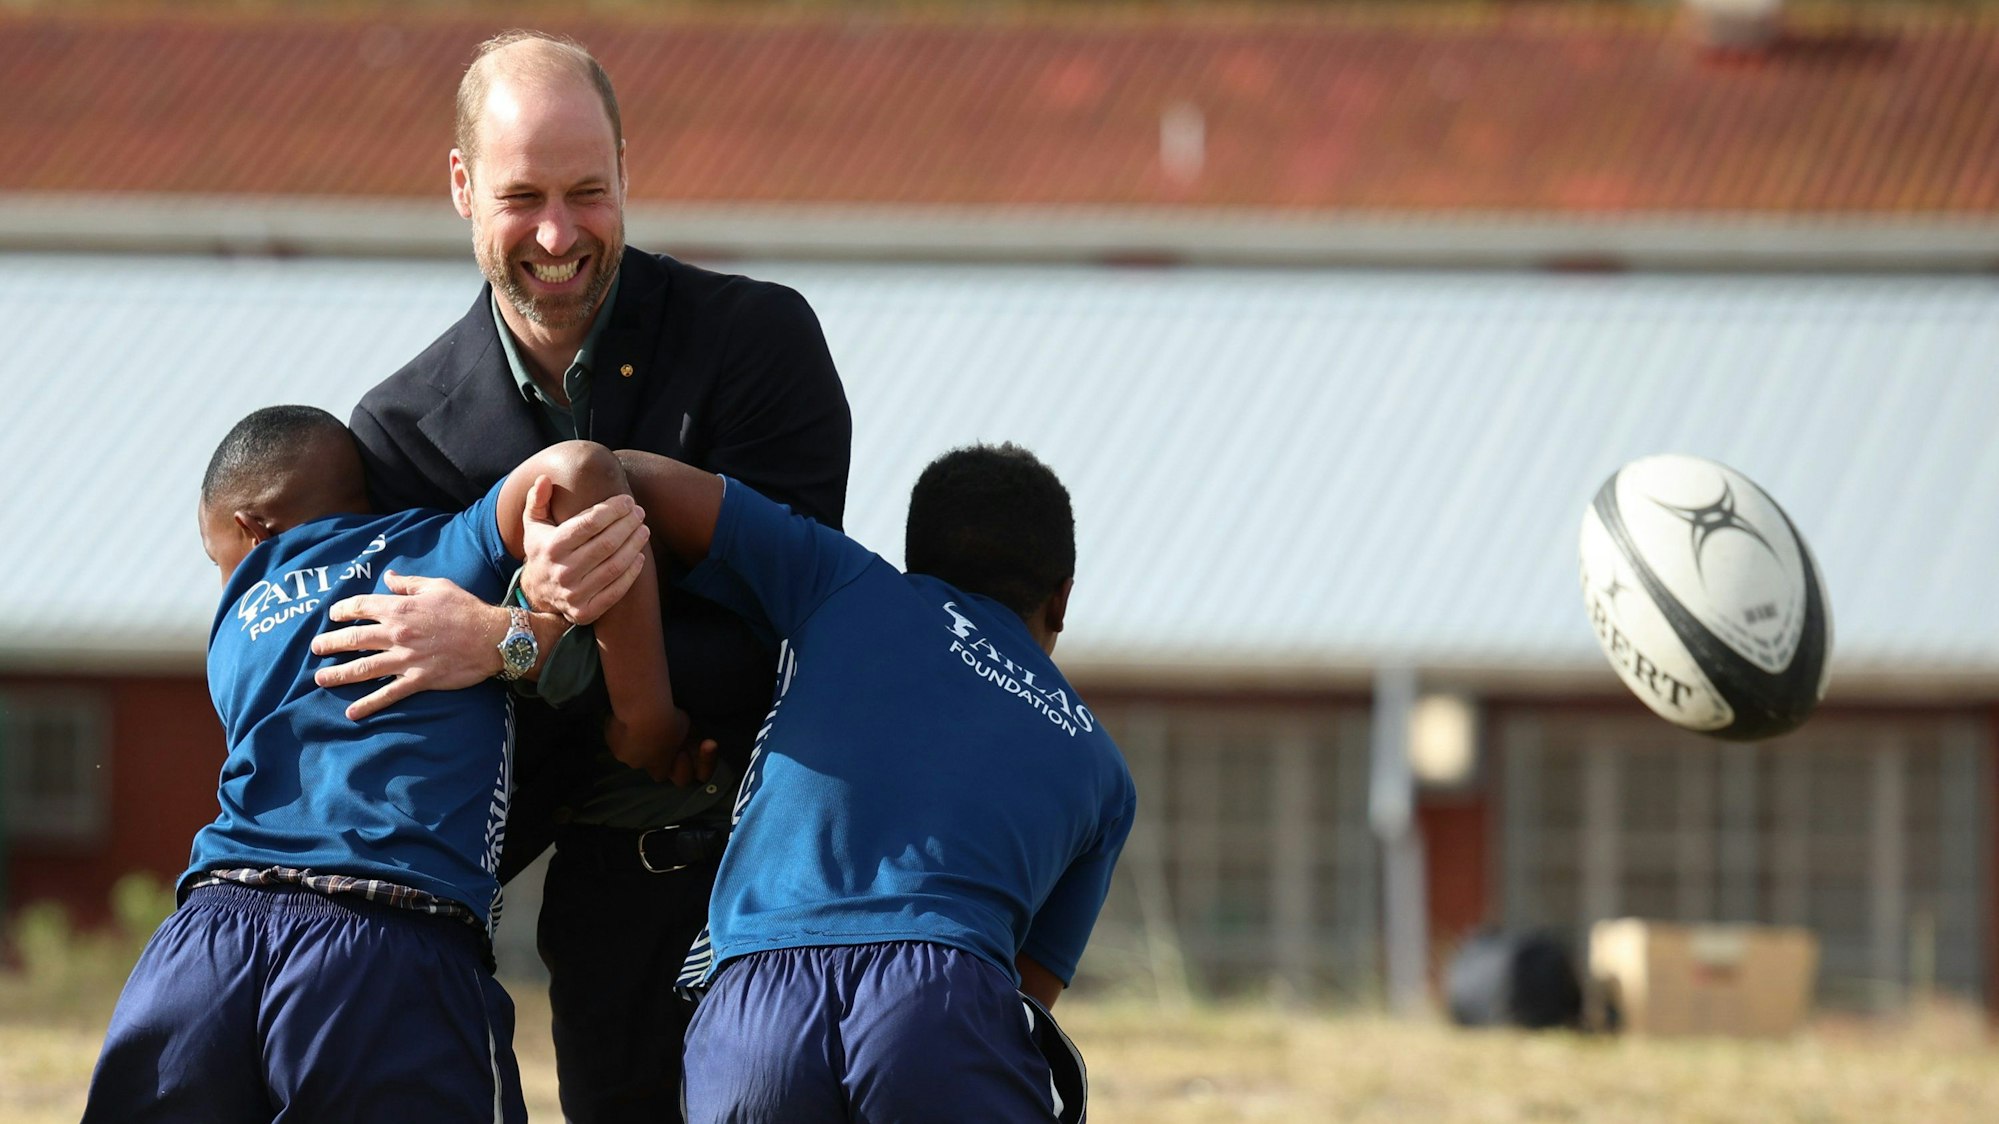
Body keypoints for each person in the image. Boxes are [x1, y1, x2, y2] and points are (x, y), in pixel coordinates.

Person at [315, 30, 852, 1120]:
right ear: (461, 186)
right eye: (522, 197)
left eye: (586, 192)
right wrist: (547, 642)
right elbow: (421, 709)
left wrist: (514, 638)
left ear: (626, 173)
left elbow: (772, 640)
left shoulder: (760, 341)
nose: (558, 235)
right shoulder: (400, 433)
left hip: (800, 874)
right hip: (610, 892)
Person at [83, 407, 679, 1122]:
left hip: (204, 942)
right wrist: (643, 714)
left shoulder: (236, 616)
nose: (225, 580)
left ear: (251, 527)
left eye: (217, 558)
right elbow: (580, 467)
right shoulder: (441, 550)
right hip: (385, 941)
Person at [555, 442, 1135, 1122]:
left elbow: (611, 472)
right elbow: (1024, 995)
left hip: (755, 1006)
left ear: (913, 556)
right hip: (941, 997)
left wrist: (643, 709)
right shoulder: (1102, 768)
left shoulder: (847, 580)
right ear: (1061, 598)